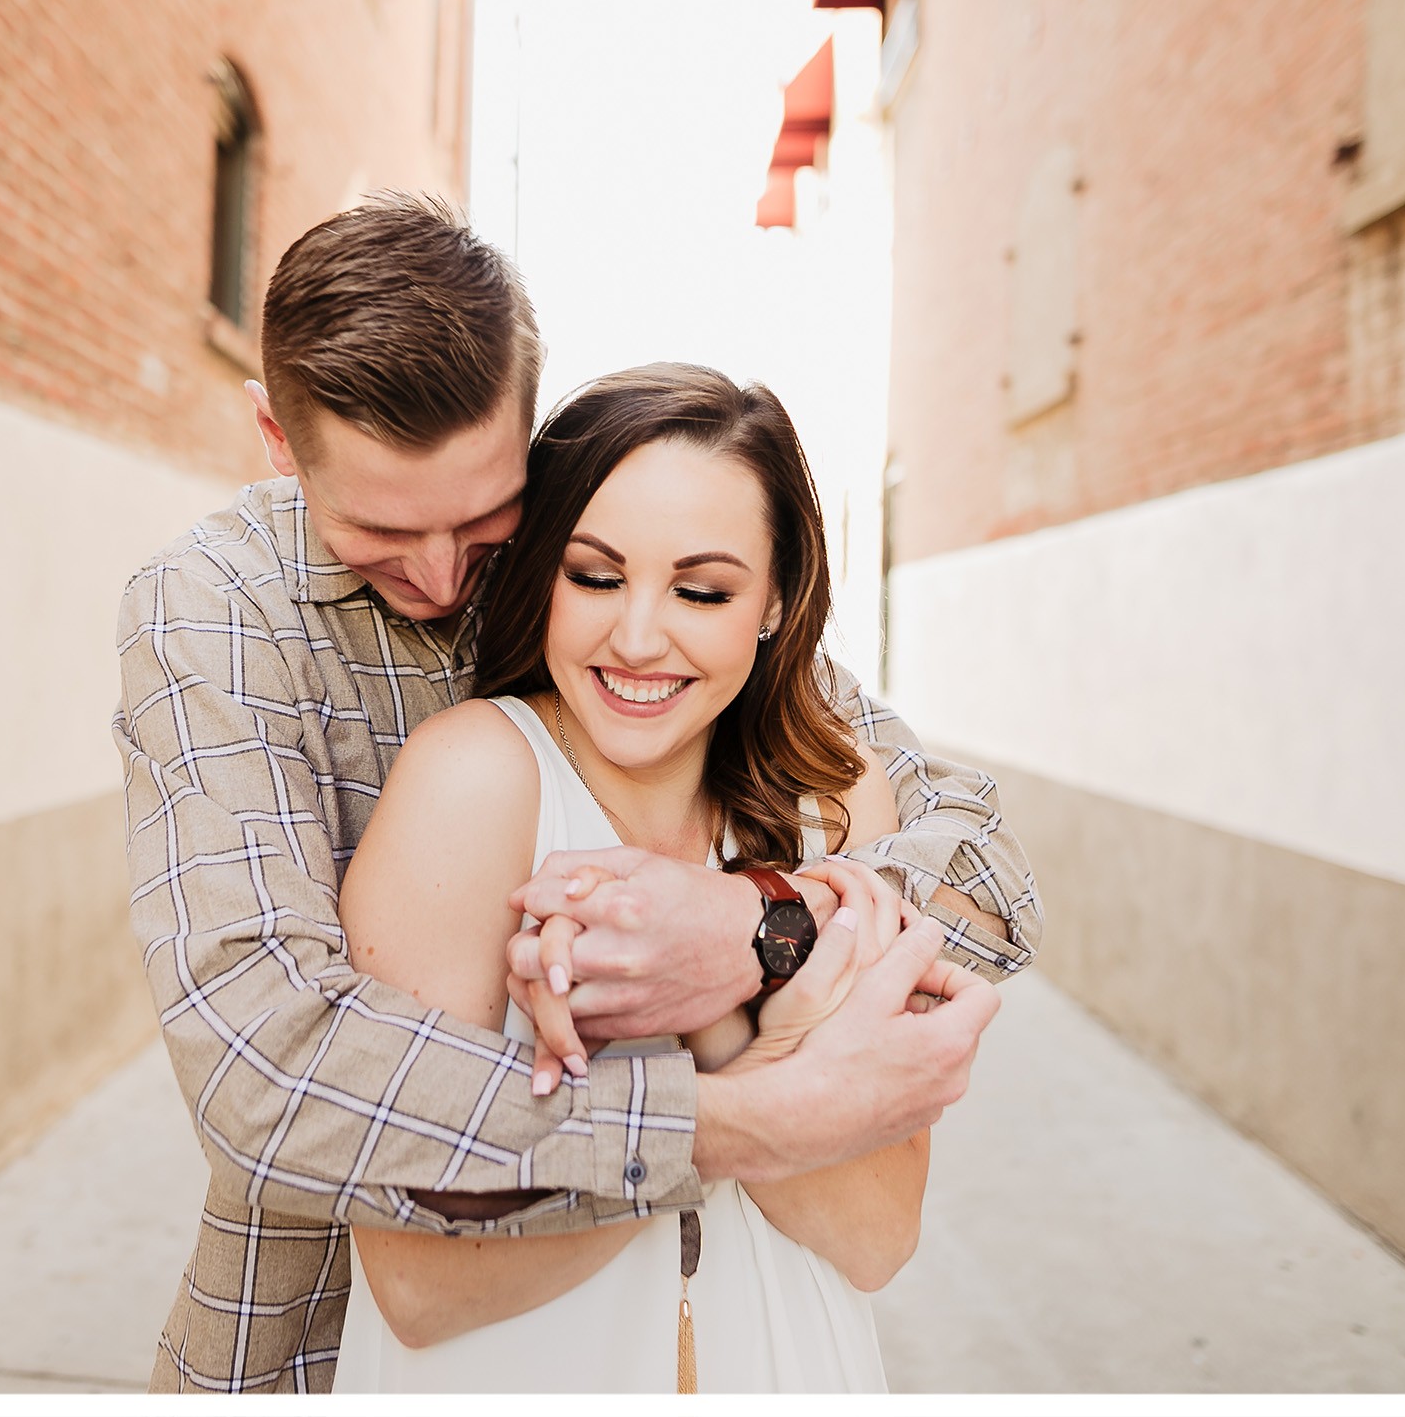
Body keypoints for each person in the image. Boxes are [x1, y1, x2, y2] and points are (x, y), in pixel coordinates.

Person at [109, 194, 1039, 1393]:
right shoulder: (217, 612)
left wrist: (755, 929)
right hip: (324, 1325)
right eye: (381, 529)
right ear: (278, 443)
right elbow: (268, 1058)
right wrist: (763, 1108)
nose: (446, 579)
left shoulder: (625, 575)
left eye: (488, 522)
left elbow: (981, 859)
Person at [335, 363, 989, 1391]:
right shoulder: (475, 780)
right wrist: (773, 1101)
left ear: (775, 600)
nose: (637, 637)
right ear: (541, 570)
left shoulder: (839, 804)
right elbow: (417, 1279)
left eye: (701, 589)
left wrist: (710, 995)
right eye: (594, 575)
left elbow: (876, 1237)